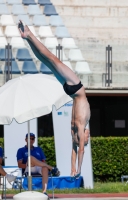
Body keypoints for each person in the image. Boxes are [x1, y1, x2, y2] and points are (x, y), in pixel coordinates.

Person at [18, 21, 91, 179]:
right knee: (51, 59)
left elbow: (76, 150)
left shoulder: (75, 134)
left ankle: (27, 37)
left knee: (46, 61)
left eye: (86, 139)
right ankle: (29, 34)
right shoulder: (80, 127)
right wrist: (79, 169)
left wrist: (73, 169)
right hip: (76, 87)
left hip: (71, 91)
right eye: (87, 138)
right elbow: (81, 151)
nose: (88, 137)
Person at [16, 133, 60, 197]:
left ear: (34, 140)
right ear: (25, 140)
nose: (31, 140)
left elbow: (44, 162)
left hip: (39, 167)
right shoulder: (21, 150)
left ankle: (44, 191)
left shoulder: (39, 149)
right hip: (28, 168)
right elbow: (20, 165)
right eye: (29, 139)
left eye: (32, 139)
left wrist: (37, 163)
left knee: (45, 168)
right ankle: (52, 168)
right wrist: (31, 162)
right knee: (30, 158)